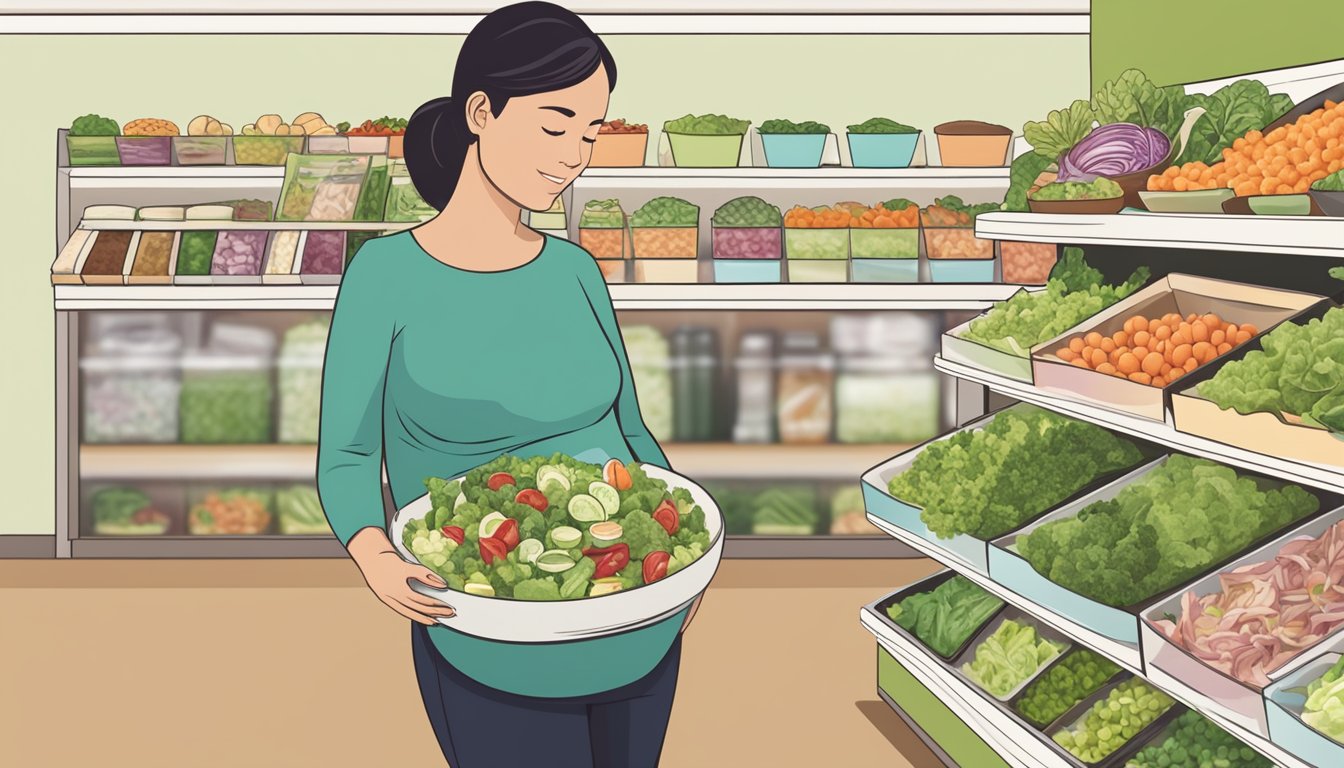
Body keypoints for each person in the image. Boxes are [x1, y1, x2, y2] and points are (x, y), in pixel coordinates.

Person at [316, 3, 698, 766]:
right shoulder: (384, 277)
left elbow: (632, 432)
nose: (576, 156)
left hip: (636, 621)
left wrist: (686, 556)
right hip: (486, 629)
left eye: (591, 133)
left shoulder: (575, 270)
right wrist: (374, 554)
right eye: (557, 127)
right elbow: (348, 455)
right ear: (481, 113)